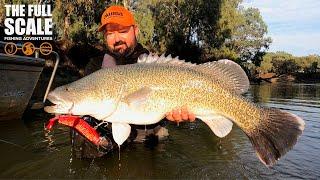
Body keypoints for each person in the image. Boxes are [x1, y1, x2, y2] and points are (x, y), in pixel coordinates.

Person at [71, 5, 195, 158]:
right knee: (80, 137)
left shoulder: (154, 65)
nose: (117, 39)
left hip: (147, 136)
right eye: (110, 33)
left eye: (123, 31)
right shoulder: (96, 66)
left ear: (135, 31)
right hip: (108, 133)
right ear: (105, 36)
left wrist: (178, 116)